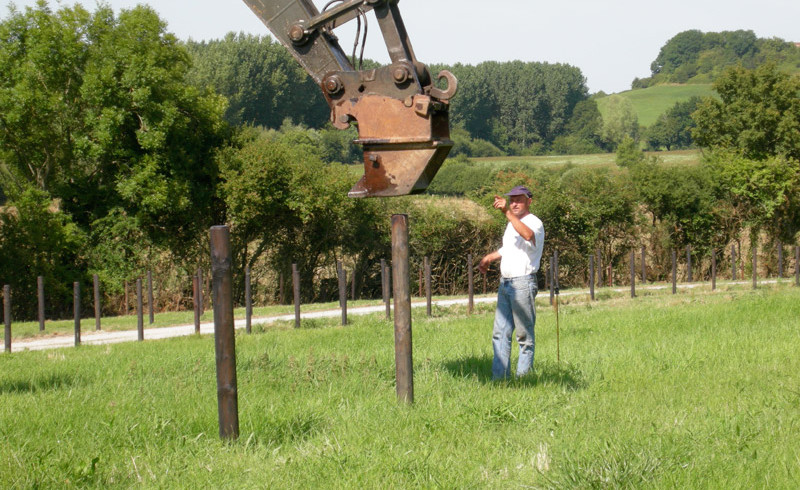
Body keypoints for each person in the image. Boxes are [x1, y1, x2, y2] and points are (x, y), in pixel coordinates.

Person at [478, 185, 545, 380]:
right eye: (512, 200)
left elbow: (527, 235)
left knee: (524, 337)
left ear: (529, 201)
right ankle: (499, 380)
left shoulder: (534, 222)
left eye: (519, 199)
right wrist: (489, 258)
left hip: (523, 283)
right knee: (500, 334)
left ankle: (523, 380)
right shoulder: (512, 222)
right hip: (506, 283)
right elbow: (510, 248)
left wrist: (506, 211)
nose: (514, 203)